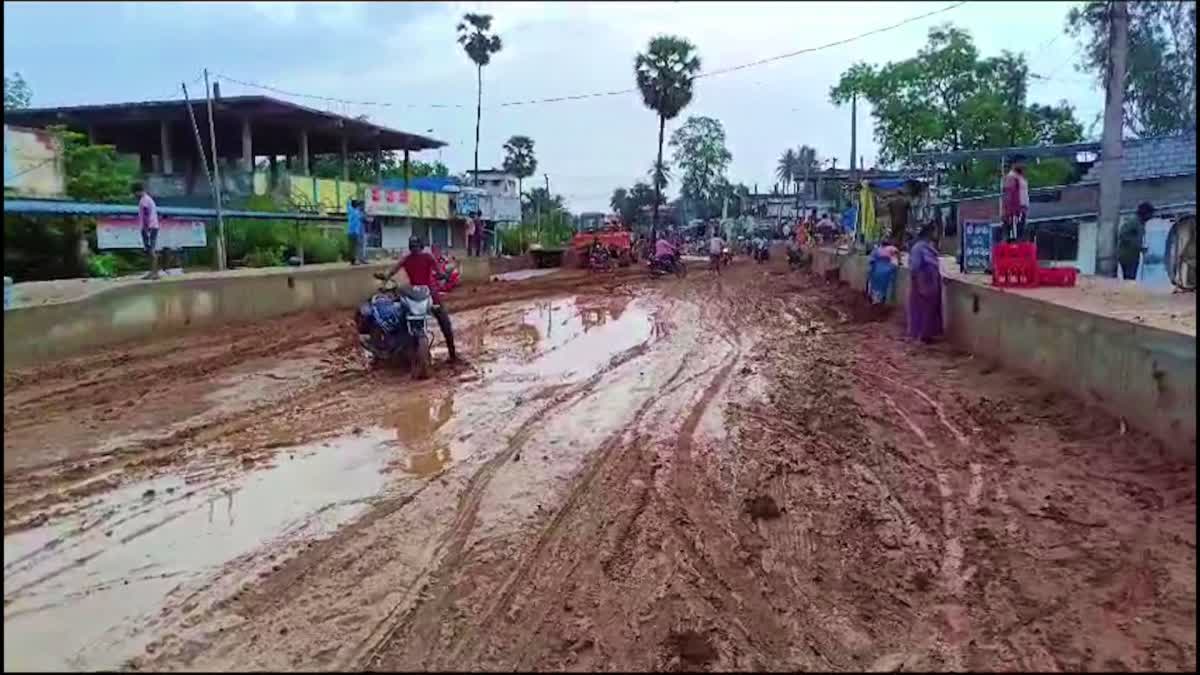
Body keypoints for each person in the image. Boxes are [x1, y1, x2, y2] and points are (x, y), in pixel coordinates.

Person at [383, 235, 460, 363]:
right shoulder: (426, 257)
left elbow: (392, 271)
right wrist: (445, 275)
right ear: (421, 246)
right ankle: (452, 354)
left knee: (402, 318)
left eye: (415, 246)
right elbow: (440, 273)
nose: (415, 249)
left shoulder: (408, 259)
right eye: (414, 247)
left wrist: (385, 277)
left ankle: (397, 349)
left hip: (416, 294)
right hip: (428, 292)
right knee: (444, 321)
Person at [907, 224, 943, 344]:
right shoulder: (919, 248)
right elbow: (915, 267)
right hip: (923, 281)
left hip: (931, 282)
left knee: (930, 309)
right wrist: (920, 283)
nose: (936, 234)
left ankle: (927, 334)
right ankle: (921, 335)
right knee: (922, 309)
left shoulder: (927, 247)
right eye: (935, 232)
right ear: (929, 233)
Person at [1118, 202, 1154, 280]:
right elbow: (1122, 234)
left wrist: (1140, 248)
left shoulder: (1140, 223)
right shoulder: (1133, 221)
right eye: (1150, 214)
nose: (1151, 217)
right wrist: (1137, 245)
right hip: (1127, 255)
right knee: (1129, 279)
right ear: (1145, 213)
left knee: (1131, 278)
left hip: (1133, 255)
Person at [132, 182, 161, 280]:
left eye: (135, 193)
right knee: (150, 250)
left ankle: (154, 273)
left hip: (149, 227)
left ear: (138, 192)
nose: (134, 196)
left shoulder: (143, 201)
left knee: (151, 250)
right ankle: (152, 272)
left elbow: (145, 215)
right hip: (152, 226)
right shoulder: (148, 199)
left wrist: (145, 228)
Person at [1002, 156, 1030, 241]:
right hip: (1015, 210)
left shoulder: (1021, 177)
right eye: (1021, 163)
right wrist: (1010, 212)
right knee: (1015, 234)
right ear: (1014, 164)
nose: (1023, 165)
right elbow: (1008, 195)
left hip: (1022, 209)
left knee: (1021, 232)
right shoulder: (1012, 177)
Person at [867, 240, 900, 306]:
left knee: (874, 287)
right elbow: (896, 262)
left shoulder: (876, 250)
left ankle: (875, 301)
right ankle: (882, 302)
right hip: (886, 272)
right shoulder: (892, 249)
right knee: (885, 288)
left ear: (881, 244)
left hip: (876, 271)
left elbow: (871, 261)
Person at [347, 199, 367, 265]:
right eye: (358, 204)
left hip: (350, 231)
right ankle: (354, 260)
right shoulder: (357, 212)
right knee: (355, 247)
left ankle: (352, 261)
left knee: (352, 247)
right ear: (356, 206)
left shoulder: (351, 210)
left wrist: (349, 199)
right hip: (355, 232)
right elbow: (364, 218)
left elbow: (348, 204)